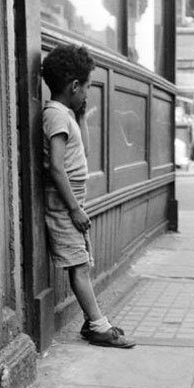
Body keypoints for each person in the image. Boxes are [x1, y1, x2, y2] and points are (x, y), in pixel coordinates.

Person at [42, 44, 135, 348]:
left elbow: (85, 153)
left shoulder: (66, 114)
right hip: (64, 205)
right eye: (87, 88)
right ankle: (97, 325)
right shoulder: (55, 116)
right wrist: (73, 210)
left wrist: (81, 116)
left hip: (74, 203)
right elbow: (56, 168)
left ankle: (90, 320)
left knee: (83, 260)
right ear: (73, 86)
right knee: (79, 265)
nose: (87, 94)